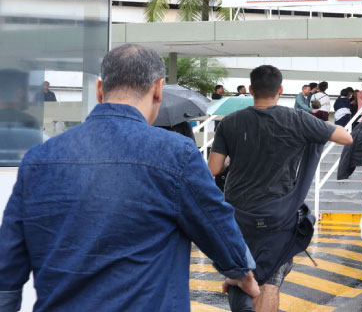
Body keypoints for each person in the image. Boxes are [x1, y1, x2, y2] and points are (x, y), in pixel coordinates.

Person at [0, 44, 260, 311]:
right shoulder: (176, 154)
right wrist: (242, 273)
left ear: (100, 90)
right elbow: (216, 225)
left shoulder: (38, 159)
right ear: (158, 89)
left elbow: (7, 268)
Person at [208, 65, 352, 312]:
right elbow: (345, 138)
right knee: (271, 281)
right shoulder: (297, 119)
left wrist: (234, 159)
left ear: (251, 89)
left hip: (238, 215)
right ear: (281, 90)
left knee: (242, 270)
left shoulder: (230, 123)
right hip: (278, 215)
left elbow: (213, 169)